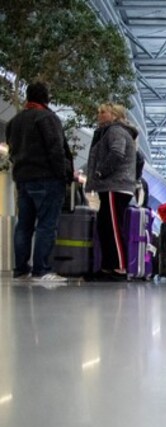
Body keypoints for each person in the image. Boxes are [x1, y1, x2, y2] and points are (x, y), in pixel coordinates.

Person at [5, 82, 73, 282]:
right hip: (47, 178)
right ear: (46, 97)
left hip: (23, 178)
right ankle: (42, 269)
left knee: (24, 225)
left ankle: (20, 269)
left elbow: (12, 150)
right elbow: (55, 149)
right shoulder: (47, 118)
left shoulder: (14, 121)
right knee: (46, 225)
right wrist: (63, 175)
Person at [85, 103, 139, 281]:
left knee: (114, 227)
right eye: (98, 112)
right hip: (113, 186)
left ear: (114, 115)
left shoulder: (115, 131)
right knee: (105, 225)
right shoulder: (113, 132)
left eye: (103, 112)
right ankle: (108, 266)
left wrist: (101, 172)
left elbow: (117, 153)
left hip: (115, 185)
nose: (99, 115)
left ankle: (120, 266)